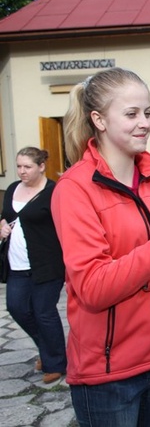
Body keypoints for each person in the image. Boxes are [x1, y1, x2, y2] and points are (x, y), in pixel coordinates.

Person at [51, 67, 150, 426]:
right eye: (131, 114)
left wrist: (127, 275)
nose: (145, 123)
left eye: (148, 112)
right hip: (108, 374)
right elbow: (93, 289)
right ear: (99, 120)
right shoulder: (74, 189)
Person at [0, 147, 66, 384]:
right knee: (17, 308)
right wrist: (2, 225)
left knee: (44, 312)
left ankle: (56, 363)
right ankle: (49, 349)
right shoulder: (11, 190)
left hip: (46, 263)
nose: (21, 171)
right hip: (16, 264)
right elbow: (6, 215)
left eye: (27, 166)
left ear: (41, 166)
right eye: (18, 166)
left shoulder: (54, 191)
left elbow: (65, 224)